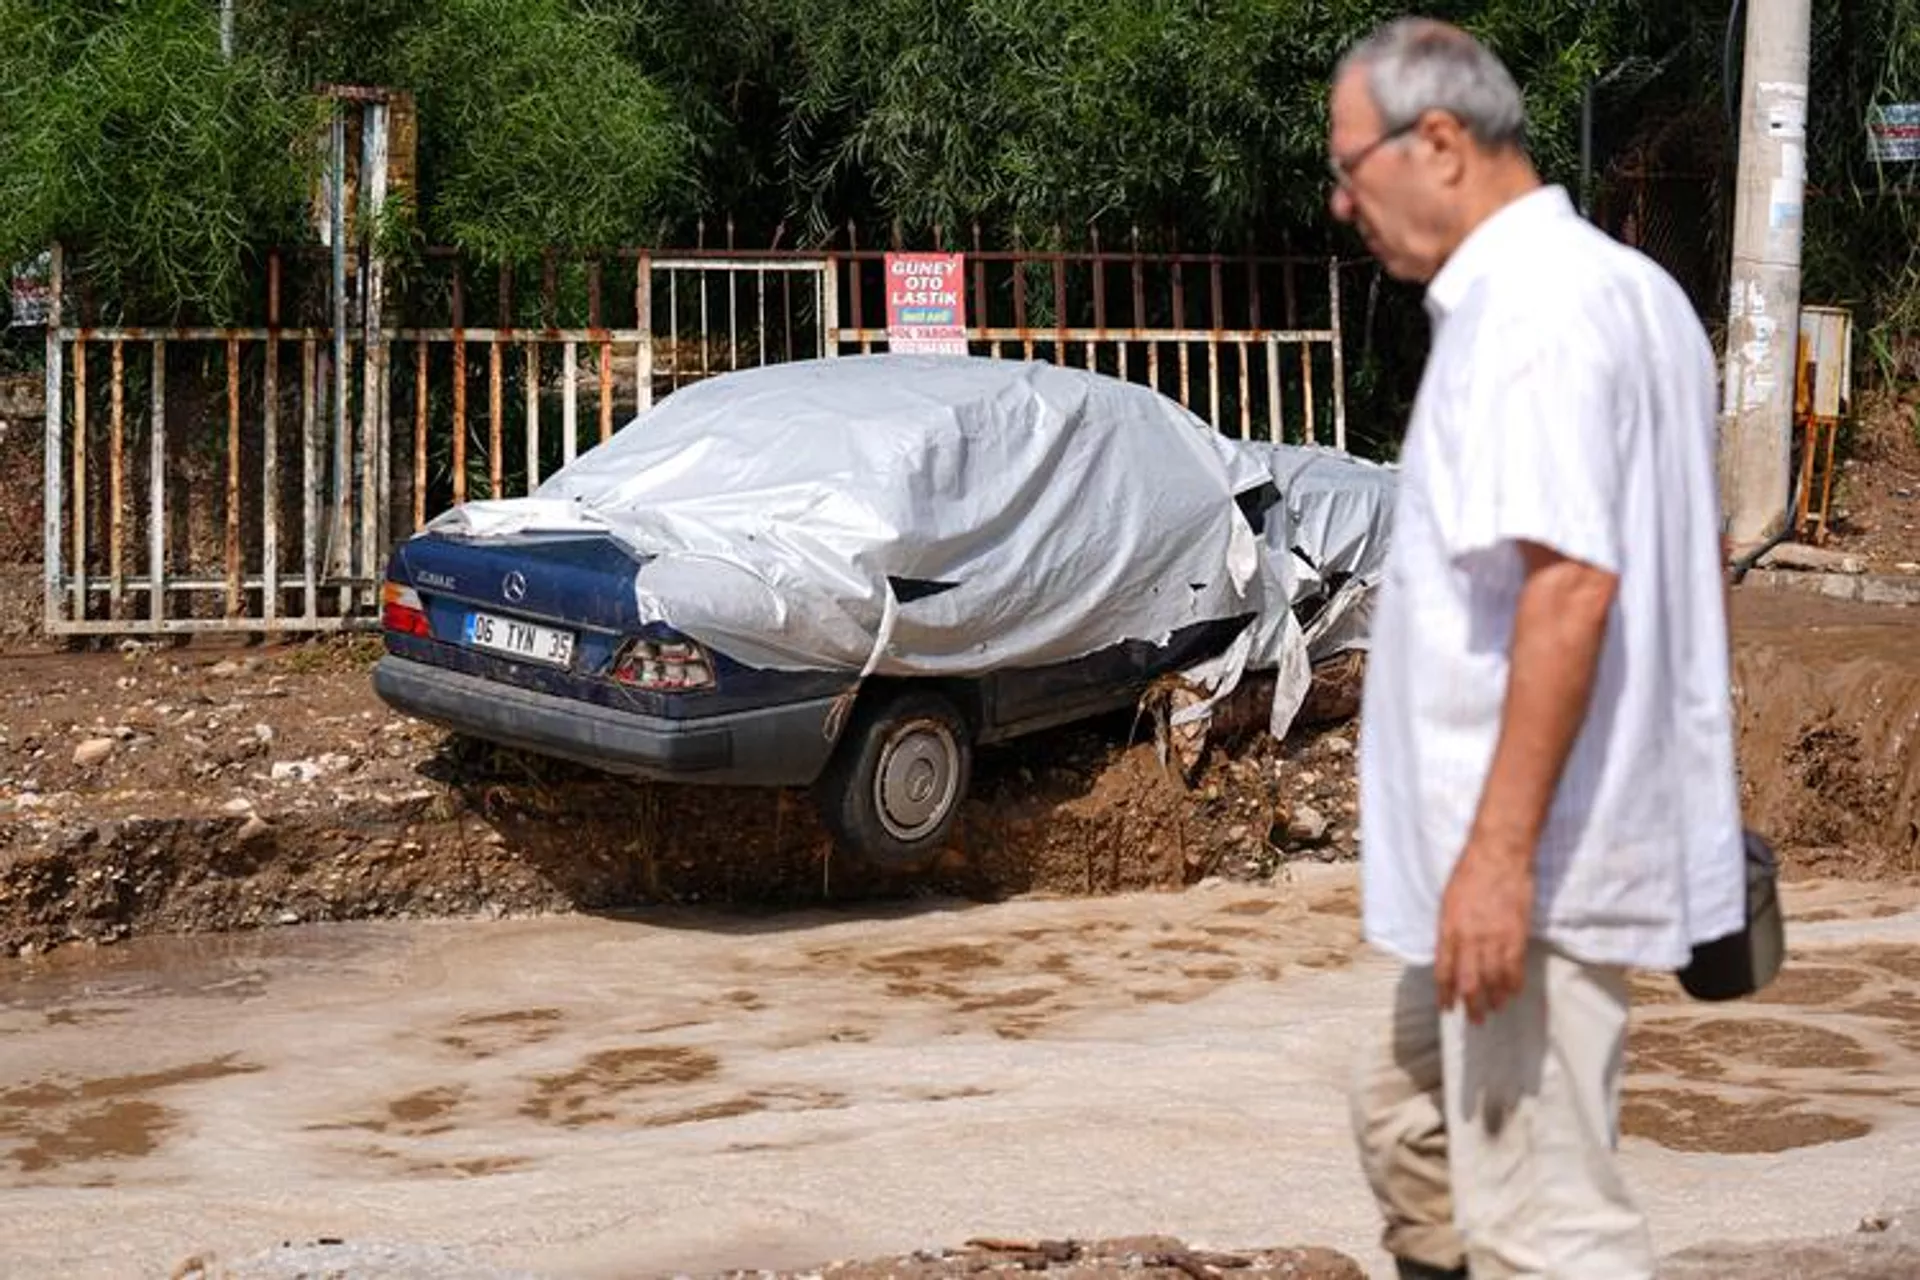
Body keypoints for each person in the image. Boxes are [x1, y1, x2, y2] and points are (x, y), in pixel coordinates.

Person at [1327, 18, 1748, 1280]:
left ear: (1440, 141)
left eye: (1352, 166)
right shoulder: (1618, 289)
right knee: (1412, 1127)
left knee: (1547, 1231)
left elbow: (1573, 587)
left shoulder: (1536, 316)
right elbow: (1693, 560)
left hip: (1533, 862)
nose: (1342, 201)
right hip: (1525, 847)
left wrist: (1502, 861)